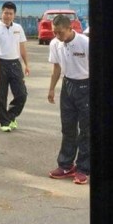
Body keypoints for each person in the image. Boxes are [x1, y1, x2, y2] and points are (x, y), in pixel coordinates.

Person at [47, 14, 90, 185]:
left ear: (70, 28)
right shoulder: (55, 44)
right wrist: (52, 88)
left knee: (86, 130)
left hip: (86, 86)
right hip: (68, 86)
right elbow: (56, 68)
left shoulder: (85, 43)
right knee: (68, 128)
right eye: (54, 32)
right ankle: (66, 165)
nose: (57, 36)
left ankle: (83, 168)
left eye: (60, 32)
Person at [0, 1, 29, 132]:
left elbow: (22, 47)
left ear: (14, 15)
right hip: (0, 64)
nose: (8, 16)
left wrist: (26, 64)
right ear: (1, 13)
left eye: (10, 13)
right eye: (6, 13)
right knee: (1, 95)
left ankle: (11, 115)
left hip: (15, 64)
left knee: (22, 94)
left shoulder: (18, 28)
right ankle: (4, 122)